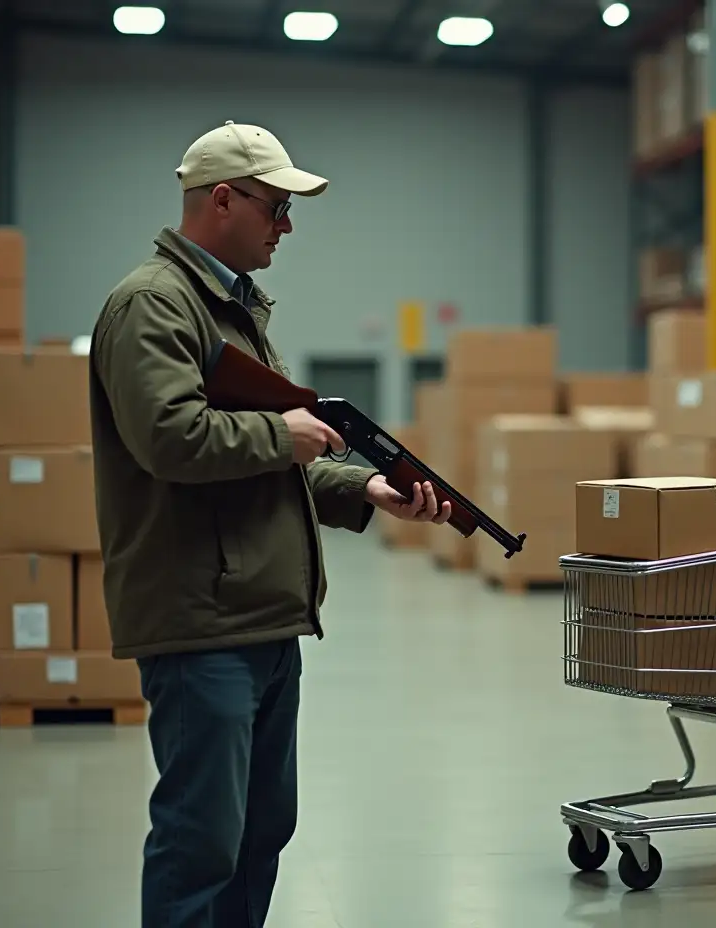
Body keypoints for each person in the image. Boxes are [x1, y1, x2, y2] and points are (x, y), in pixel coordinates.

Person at [88, 119, 452, 928]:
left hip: (260, 615)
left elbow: (268, 466)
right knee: (201, 841)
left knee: (260, 832)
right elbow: (169, 440)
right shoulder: (154, 304)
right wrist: (279, 435)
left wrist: (362, 490)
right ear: (223, 200)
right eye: (276, 208)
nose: (286, 227)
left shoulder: (233, 309)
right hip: (200, 622)